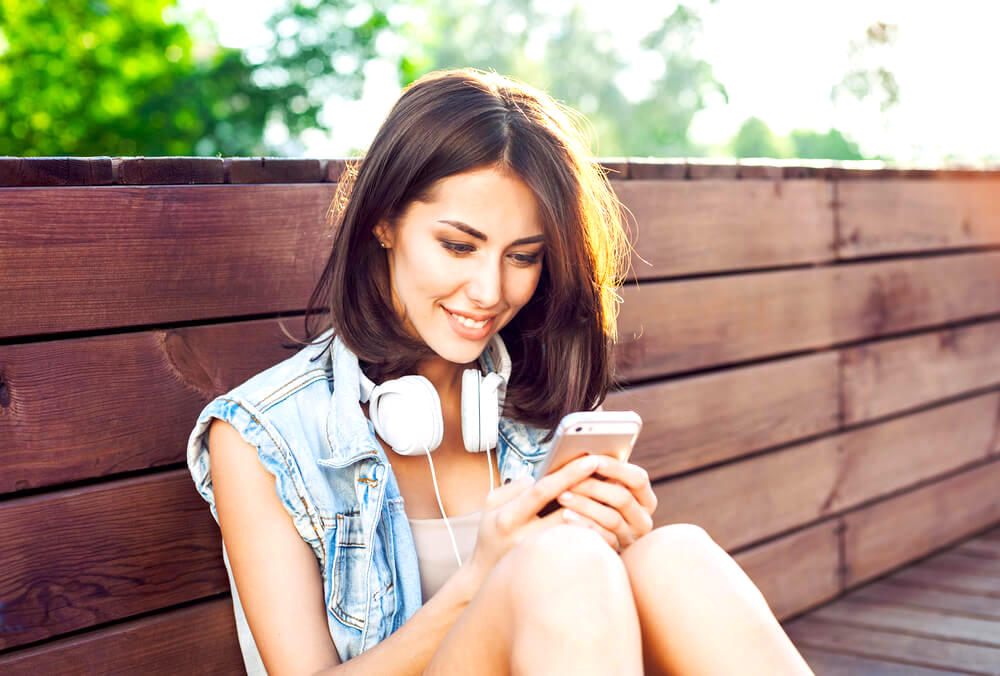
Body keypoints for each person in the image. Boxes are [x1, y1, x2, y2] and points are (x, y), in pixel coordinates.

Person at [187, 68, 813, 675]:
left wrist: (616, 541)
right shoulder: (261, 435)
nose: (488, 291)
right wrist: (480, 580)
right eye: (458, 246)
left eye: (523, 256)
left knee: (674, 557)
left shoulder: (535, 403)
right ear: (383, 221)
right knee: (558, 563)